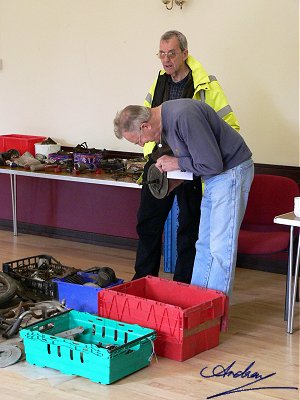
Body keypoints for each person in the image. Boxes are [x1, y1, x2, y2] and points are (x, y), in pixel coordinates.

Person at [113, 99, 254, 295]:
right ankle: (199, 302)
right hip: (215, 177)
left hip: (231, 173)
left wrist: (176, 163)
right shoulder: (167, 124)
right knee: (204, 245)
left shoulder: (184, 116)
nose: (142, 144)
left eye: (138, 140)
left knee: (220, 248)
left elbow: (212, 163)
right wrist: (175, 180)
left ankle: (215, 313)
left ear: (145, 126)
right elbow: (197, 158)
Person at [134, 30, 240, 283]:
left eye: (171, 53)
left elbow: (229, 127)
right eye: (161, 54)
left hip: (192, 166)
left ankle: (183, 285)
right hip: (159, 164)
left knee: (189, 228)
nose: (166, 59)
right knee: (147, 223)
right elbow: (145, 124)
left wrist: (198, 157)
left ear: (184, 53)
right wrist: (152, 156)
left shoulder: (206, 85)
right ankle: (142, 281)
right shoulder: (158, 82)